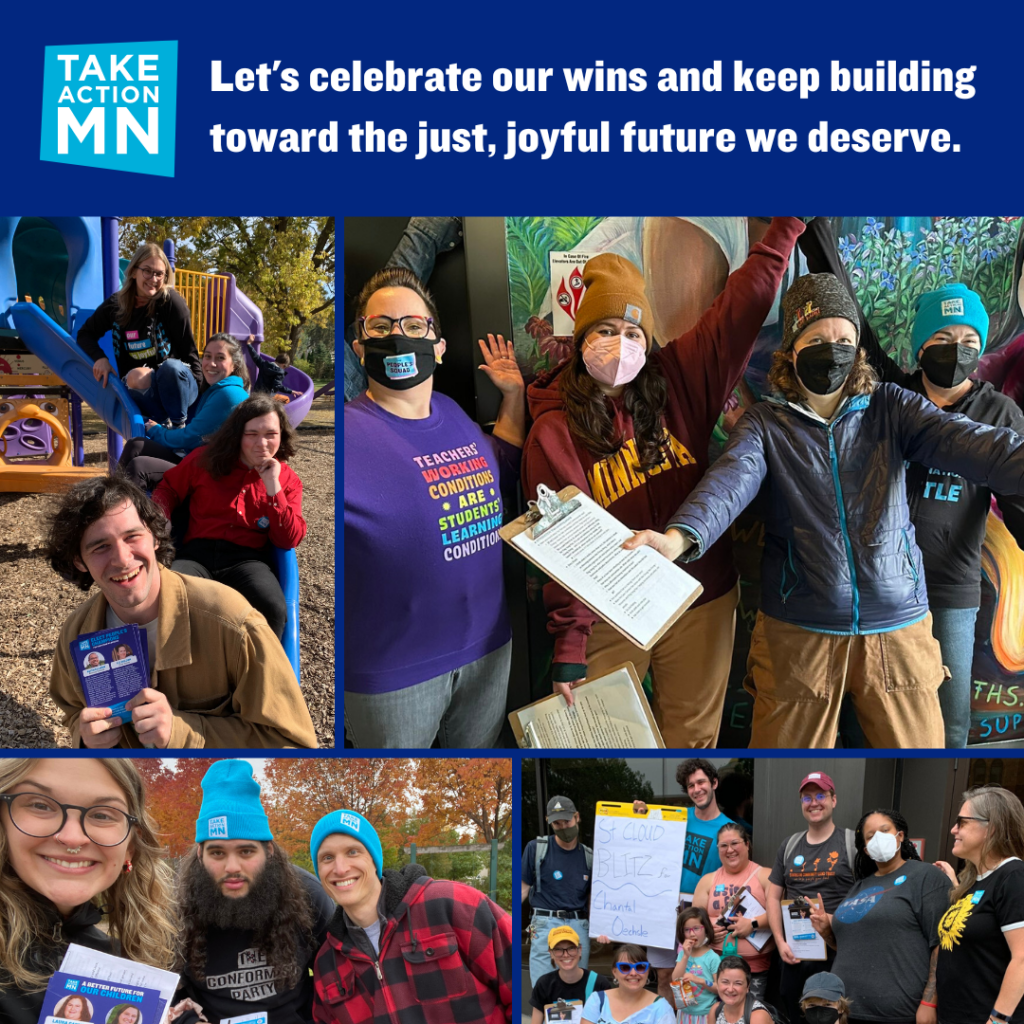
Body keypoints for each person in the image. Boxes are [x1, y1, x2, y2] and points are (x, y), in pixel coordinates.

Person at [629, 271, 1024, 748]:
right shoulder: (766, 424)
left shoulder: (893, 407)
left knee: (922, 755)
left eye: (843, 337)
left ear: (858, 346)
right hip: (800, 631)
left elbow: (976, 445)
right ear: (792, 349)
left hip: (898, 627)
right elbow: (730, 480)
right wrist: (679, 537)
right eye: (817, 338)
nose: (832, 347)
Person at [521, 218, 806, 746]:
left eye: (633, 333)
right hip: (607, 613)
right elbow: (562, 549)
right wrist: (569, 647)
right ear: (582, 337)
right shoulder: (554, 431)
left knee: (692, 742)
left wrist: (786, 226)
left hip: (698, 600)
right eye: (605, 330)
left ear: (648, 340)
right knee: (606, 745)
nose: (619, 343)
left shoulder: (678, 381)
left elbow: (738, 308)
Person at [800, 218, 1024, 747]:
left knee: (949, 724)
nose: (957, 349)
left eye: (969, 340)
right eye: (943, 338)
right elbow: (846, 305)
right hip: (881, 586)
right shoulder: (890, 398)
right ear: (921, 346)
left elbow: (1017, 497)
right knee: (867, 717)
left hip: (950, 589)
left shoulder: (999, 412)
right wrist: (808, 228)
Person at [343, 266, 526, 748]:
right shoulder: (344, 435)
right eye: (380, 327)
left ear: (438, 347)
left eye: (414, 325)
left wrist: (515, 397)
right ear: (360, 346)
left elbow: (499, 464)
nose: (397, 336)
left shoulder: (455, 413)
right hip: (393, 677)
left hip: (488, 652)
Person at [45, 476, 318, 748]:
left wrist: (181, 732)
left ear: (154, 536)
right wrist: (84, 735)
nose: (122, 559)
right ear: (79, 561)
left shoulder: (232, 623)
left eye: (132, 536)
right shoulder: (76, 635)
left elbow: (292, 742)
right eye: (101, 547)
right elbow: (72, 712)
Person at [0, 757, 175, 1024]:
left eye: (102, 815)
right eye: (40, 805)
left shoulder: (120, 960)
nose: (72, 837)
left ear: (130, 846)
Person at [310, 808, 513, 1024]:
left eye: (352, 852)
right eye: (327, 857)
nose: (340, 869)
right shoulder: (327, 964)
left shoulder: (452, 905)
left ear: (373, 858)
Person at [173, 761, 334, 1024]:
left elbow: (339, 976)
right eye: (217, 853)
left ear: (268, 851)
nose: (232, 867)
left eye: (246, 851)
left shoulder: (308, 896)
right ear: (200, 854)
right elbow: (162, 990)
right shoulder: (176, 906)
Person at [153, 395, 305, 639]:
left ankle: (258, 671)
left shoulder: (287, 480)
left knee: (273, 609)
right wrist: (159, 517)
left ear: (282, 436)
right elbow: (168, 488)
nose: (262, 444)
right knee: (169, 597)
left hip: (247, 559)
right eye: (252, 434)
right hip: (198, 554)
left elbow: (288, 539)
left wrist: (273, 487)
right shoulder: (206, 459)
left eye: (270, 434)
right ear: (238, 435)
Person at [808, 808, 951, 1024]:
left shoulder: (926, 877)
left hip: (897, 1012)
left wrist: (930, 1002)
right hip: (846, 1009)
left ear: (900, 836)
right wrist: (827, 931)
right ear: (866, 849)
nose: (878, 838)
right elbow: (853, 946)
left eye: (884, 831)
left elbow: (942, 943)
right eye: (871, 836)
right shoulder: (860, 886)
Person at [635, 759, 735, 1005]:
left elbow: (733, 876)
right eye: (690, 785)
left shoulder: (728, 829)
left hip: (698, 911)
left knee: (695, 975)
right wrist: (638, 816)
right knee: (665, 976)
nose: (696, 789)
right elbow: (644, 838)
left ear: (714, 783)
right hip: (663, 906)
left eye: (701, 782)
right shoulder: (676, 817)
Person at [75, 243, 201, 426]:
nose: (153, 278)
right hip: (145, 390)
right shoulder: (116, 305)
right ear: (134, 271)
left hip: (178, 386)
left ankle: (178, 426)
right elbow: (85, 334)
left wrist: (203, 397)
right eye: (147, 271)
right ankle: (160, 425)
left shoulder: (171, 303)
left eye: (159, 274)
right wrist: (100, 358)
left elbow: (189, 352)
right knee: (136, 376)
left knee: (170, 368)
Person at [766, 772, 856, 1024]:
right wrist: (780, 941)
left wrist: (834, 921)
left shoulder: (850, 843)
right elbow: (773, 897)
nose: (814, 802)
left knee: (833, 1015)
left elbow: (867, 896)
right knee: (796, 1011)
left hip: (838, 952)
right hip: (796, 952)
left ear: (834, 800)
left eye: (820, 795)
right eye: (807, 797)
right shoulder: (790, 845)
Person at [934, 786, 1024, 1024]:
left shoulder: (1014, 876)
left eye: (962, 822)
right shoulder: (974, 882)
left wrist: (998, 1020)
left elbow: (1023, 957)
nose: (953, 829)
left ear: (991, 827)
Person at [120, 333, 251, 493]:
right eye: (208, 356)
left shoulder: (229, 394)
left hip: (209, 472)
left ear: (235, 365)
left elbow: (191, 437)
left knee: (139, 467)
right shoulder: (219, 389)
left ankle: (123, 511)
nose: (211, 363)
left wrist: (157, 431)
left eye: (220, 358)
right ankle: (109, 500)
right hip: (197, 459)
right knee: (136, 444)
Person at [693, 824, 774, 999]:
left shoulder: (766, 876)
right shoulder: (707, 881)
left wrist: (753, 923)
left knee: (748, 1016)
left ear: (747, 844)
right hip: (714, 969)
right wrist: (706, 932)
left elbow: (780, 914)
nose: (729, 850)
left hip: (754, 970)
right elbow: (693, 922)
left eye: (735, 843)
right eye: (723, 845)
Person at [523, 796, 594, 986]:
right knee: (544, 988)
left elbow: (591, 900)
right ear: (549, 822)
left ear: (577, 817)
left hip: (578, 925)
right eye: (557, 823)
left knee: (577, 989)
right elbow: (522, 889)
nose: (563, 827)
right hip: (545, 924)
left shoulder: (588, 857)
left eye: (567, 821)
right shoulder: (536, 849)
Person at [530, 925, 613, 1024]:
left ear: (580, 950)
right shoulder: (544, 984)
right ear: (551, 953)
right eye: (558, 949)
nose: (565, 955)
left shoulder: (599, 983)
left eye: (571, 948)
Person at [581, 945, 675, 1024]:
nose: (633, 973)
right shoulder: (597, 1001)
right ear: (615, 972)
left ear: (647, 971)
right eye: (625, 967)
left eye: (640, 967)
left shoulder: (661, 1008)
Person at [672, 907, 721, 1024]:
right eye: (687, 930)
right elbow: (675, 979)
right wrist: (685, 956)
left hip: (706, 1014)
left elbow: (719, 988)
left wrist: (700, 981)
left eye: (696, 928)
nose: (692, 934)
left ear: (706, 929)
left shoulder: (712, 958)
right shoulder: (683, 954)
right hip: (684, 1012)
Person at [708, 956, 772, 1024]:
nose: (730, 989)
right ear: (717, 984)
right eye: (725, 982)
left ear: (747, 986)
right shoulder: (715, 1009)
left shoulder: (757, 1016)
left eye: (738, 983)